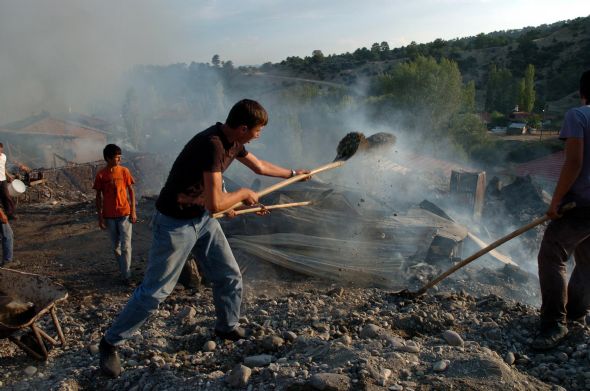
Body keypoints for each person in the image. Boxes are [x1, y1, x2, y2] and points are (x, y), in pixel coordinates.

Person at [99, 99, 309, 378]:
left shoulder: (233, 141)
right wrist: (243, 194)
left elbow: (258, 167)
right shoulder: (212, 145)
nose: (259, 135)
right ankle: (110, 343)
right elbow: (215, 203)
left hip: (203, 220)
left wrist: (294, 174)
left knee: (229, 275)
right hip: (175, 224)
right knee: (155, 292)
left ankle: (226, 326)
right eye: (258, 130)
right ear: (244, 128)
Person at [533, 70, 590, 350]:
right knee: (588, 260)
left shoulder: (578, 116)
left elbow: (574, 162)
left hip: (581, 204)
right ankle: (577, 314)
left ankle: (554, 323)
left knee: (552, 253)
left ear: (583, 92)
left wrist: (555, 201)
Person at [93, 144, 137, 285]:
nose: (119, 160)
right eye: (116, 157)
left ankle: (127, 276)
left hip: (124, 213)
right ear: (108, 158)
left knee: (126, 246)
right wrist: (100, 217)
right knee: (116, 247)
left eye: (119, 157)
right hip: (109, 216)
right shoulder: (101, 174)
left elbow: (131, 191)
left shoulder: (124, 171)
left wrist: (133, 211)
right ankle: (124, 271)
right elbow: (98, 196)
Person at [0, 143, 16, 220]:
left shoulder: (4, 157)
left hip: (3, 179)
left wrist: (8, 175)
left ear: (2, 149)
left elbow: (3, 167)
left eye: (0, 149)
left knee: (6, 196)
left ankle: (10, 213)